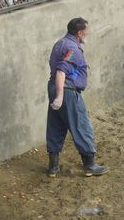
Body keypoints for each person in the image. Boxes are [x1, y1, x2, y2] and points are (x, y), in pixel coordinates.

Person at [46, 18, 108, 178]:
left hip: (54, 88)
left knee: (56, 125)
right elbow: (61, 71)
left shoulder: (60, 43)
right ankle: (90, 165)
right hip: (67, 92)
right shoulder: (72, 48)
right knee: (81, 124)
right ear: (79, 33)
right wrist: (60, 97)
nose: (88, 33)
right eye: (87, 31)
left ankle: (53, 167)